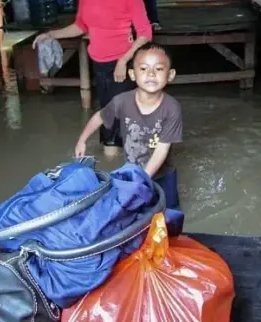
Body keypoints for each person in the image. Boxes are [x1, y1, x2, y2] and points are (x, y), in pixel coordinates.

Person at [33, 0, 152, 153]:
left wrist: (124, 61)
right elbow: (81, 25)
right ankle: (119, 159)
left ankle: (129, 160)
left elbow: (145, 33)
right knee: (109, 112)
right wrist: (51, 35)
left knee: (116, 119)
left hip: (122, 65)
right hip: (98, 63)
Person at [74, 43, 183, 216]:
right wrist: (82, 140)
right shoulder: (122, 101)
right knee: (134, 214)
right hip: (133, 170)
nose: (151, 74)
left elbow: (162, 149)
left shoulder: (172, 108)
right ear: (132, 74)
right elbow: (99, 117)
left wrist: (143, 178)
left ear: (170, 75)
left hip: (164, 175)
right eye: (143, 68)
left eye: (159, 69)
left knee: (169, 214)